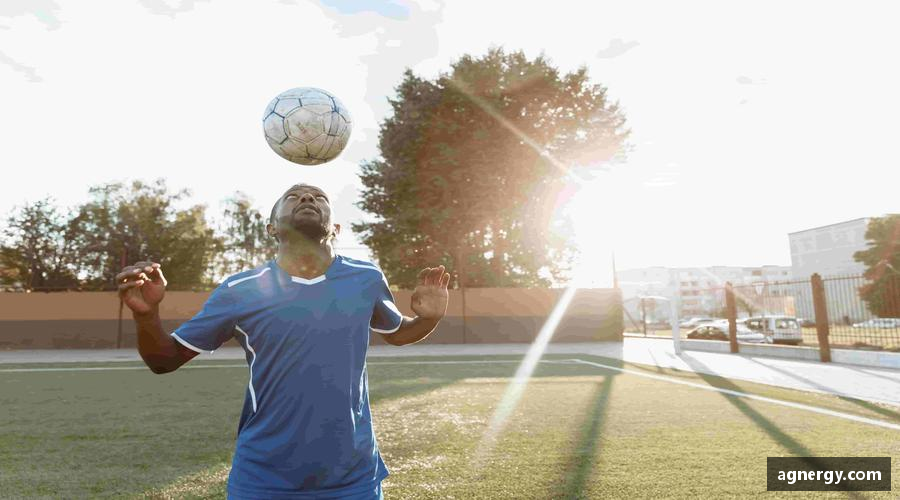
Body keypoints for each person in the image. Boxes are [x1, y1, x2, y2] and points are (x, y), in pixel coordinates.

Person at [116, 183, 450, 499]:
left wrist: (428, 319)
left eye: (318, 196)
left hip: (353, 476)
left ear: (336, 229)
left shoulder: (367, 278)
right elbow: (164, 360)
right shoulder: (239, 290)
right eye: (294, 196)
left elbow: (398, 334)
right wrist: (146, 315)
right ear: (271, 228)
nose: (307, 199)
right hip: (263, 478)